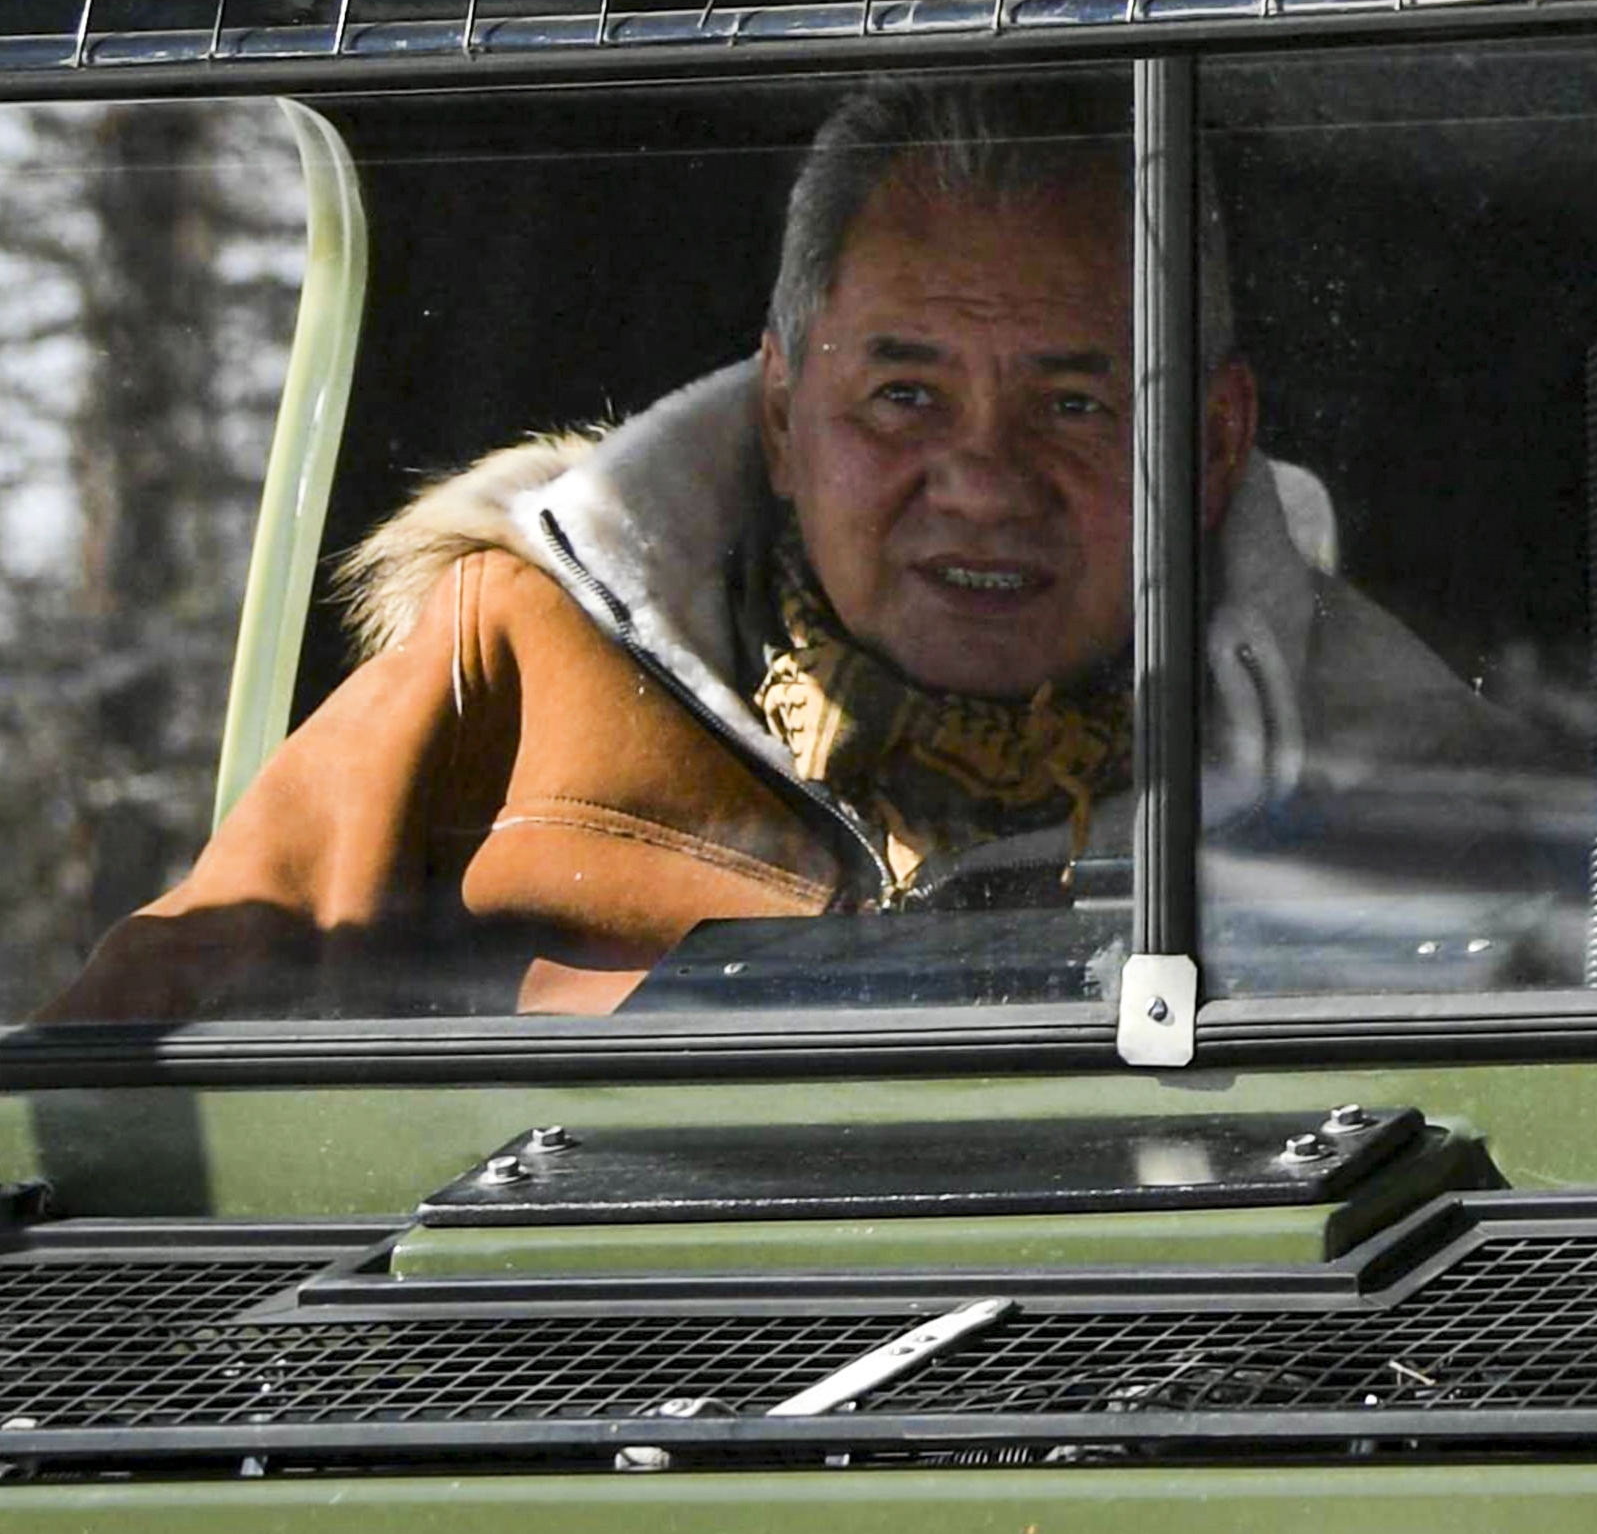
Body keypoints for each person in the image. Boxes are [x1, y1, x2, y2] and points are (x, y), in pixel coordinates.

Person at [47, 77, 1491, 1022]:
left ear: (1213, 443)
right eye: (904, 395)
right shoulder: (515, 663)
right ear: (787, 414)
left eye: (1075, 402)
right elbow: (132, 1110)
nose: (983, 483)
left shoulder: (1400, 783)